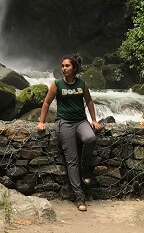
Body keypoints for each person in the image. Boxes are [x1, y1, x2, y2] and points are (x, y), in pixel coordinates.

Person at [37, 54, 101, 211]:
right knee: (71, 160)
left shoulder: (82, 84)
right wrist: (41, 122)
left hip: (81, 121)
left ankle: (85, 169)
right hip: (64, 123)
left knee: (90, 138)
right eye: (62, 66)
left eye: (67, 66)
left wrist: (94, 120)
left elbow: (89, 101)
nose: (63, 68)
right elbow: (46, 102)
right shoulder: (57, 84)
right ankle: (79, 197)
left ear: (74, 68)